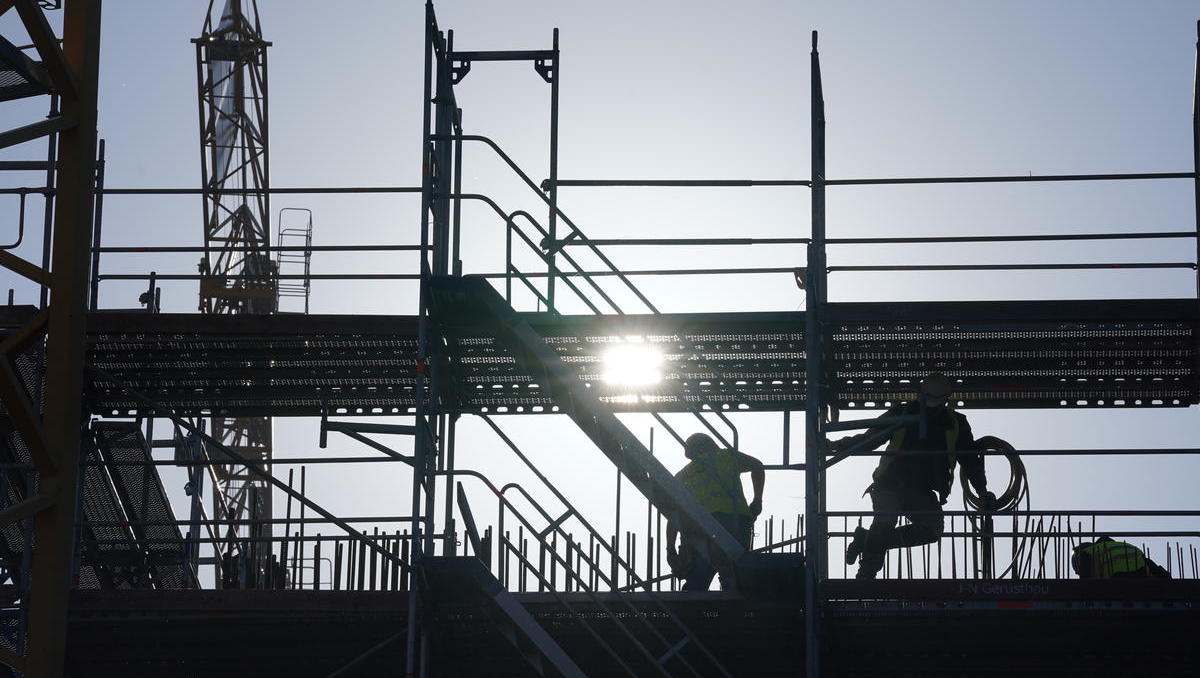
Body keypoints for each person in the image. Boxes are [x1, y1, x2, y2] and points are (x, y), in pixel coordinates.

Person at [833, 372, 994, 579]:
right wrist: (838, 445)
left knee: (932, 530)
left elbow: (970, 459)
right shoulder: (902, 412)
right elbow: (870, 438)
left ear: (946, 398)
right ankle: (867, 572)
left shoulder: (956, 423)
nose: (931, 405)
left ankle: (866, 539)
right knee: (885, 520)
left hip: (922, 490)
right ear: (921, 394)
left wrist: (981, 490)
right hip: (889, 483)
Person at [664, 432, 764, 591]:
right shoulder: (726, 456)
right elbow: (757, 466)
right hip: (736, 524)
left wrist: (670, 548)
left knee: (698, 578)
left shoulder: (682, 475)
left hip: (701, 528)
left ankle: (688, 608)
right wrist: (757, 500)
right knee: (734, 574)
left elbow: (674, 515)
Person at [1072, 536, 1171, 579]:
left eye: (1077, 570)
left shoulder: (1086, 553)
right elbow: (1154, 568)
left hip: (1117, 583)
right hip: (1143, 579)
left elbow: (1085, 586)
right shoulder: (1130, 547)